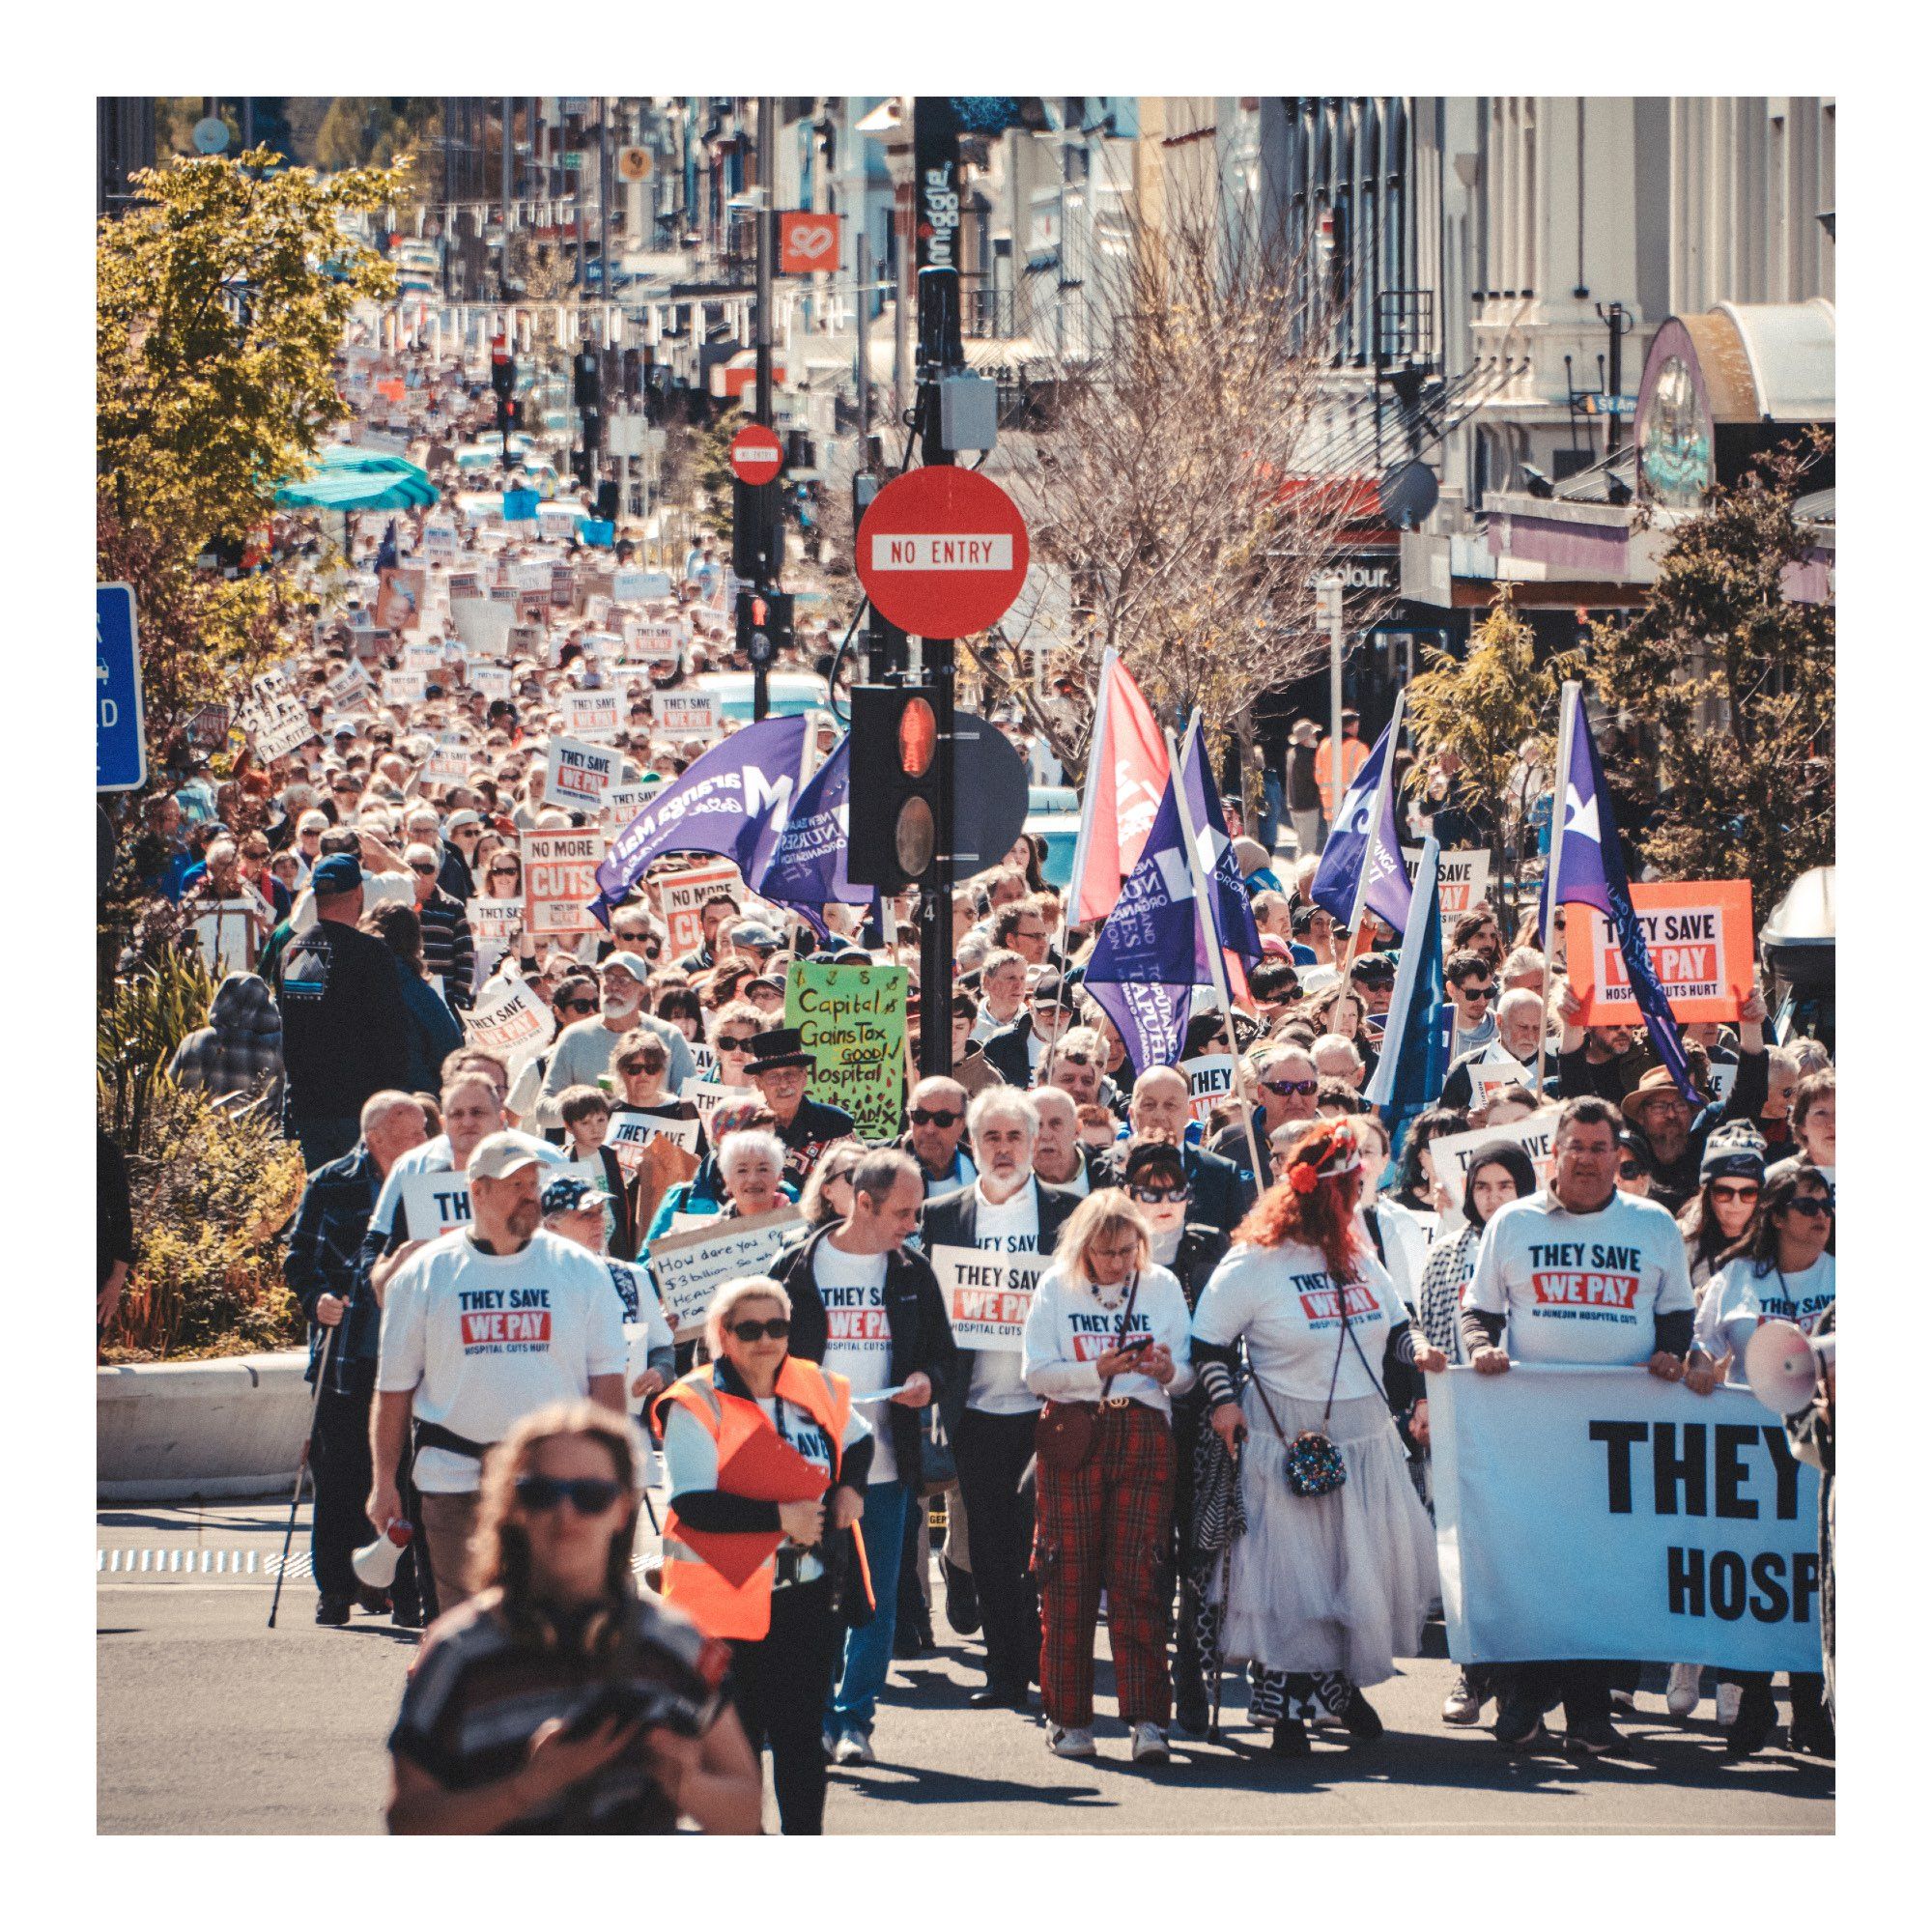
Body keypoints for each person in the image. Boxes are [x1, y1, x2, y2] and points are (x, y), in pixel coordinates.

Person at [385, 1402, 762, 1834]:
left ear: (623, 1509)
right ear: (514, 1506)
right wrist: (527, 1787)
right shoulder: (455, 1652)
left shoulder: (678, 1645)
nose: (565, 1516)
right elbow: (407, 1823)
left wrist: (685, 1783)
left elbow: (746, 1815)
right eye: (541, 1494)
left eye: (591, 1497)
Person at [1190, 1120, 1444, 1756]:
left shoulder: (1356, 1252)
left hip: (1362, 1440)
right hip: (1287, 1440)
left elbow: (1395, 1327)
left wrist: (1421, 1353)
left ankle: (1335, 1687)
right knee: (1291, 1583)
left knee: (1347, 1574)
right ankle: (1287, 1714)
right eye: (1346, 1191)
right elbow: (1209, 1344)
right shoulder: (1255, 1261)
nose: (1354, 1202)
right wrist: (1224, 1405)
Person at [1461, 1096, 1697, 1756]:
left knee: (1602, 1570)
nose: (1589, 1159)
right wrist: (1481, 1348)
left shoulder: (1653, 1225)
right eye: (1576, 1147)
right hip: (1531, 1428)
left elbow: (1677, 1314)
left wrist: (1672, 1354)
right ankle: (1523, 1698)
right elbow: (1480, 1311)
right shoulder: (1512, 1223)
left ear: (1619, 1155)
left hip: (1620, 1431)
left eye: (1601, 1148)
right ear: (1553, 1152)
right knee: (1532, 1564)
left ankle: (1590, 1713)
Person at [368, 1134, 629, 1621]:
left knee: (559, 1621)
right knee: (467, 1627)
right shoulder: (425, 1272)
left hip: (557, 1482)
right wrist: (384, 1481)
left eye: (533, 1182)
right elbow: (394, 1387)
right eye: (514, 1184)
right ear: (477, 1192)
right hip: (453, 1476)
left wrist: (614, 1472)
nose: (529, 1193)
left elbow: (607, 1380)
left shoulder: (580, 1270)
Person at [657, 1276, 873, 1835]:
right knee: (737, 1753)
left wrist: (852, 1488)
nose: (765, 1341)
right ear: (723, 1335)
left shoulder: (815, 1384)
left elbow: (860, 1440)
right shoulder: (694, 1400)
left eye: (777, 1327)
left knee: (802, 1744)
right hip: (725, 1605)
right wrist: (782, 1518)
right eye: (748, 1329)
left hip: (806, 1597)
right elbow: (694, 1503)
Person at [767, 1149, 956, 1765]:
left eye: (917, 1211)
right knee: (807, 1594)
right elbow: (756, 1361)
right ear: (862, 1203)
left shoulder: (912, 1272)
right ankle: (814, 1715)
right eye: (902, 1212)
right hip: (806, 1464)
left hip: (885, 1462)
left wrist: (927, 1378)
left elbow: (941, 1353)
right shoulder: (796, 1265)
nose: (912, 1223)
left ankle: (854, 1721)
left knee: (870, 1604)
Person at [1021, 1186, 1195, 1762]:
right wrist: (1094, 1368)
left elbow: (1187, 1375)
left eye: (1127, 1250)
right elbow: (1036, 1373)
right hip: (1075, 1429)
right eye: (1106, 1252)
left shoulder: (1162, 1285)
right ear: (1083, 1247)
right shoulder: (1055, 1286)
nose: (1119, 1263)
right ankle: (1069, 1719)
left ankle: (1148, 1720)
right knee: (1067, 1576)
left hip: (1144, 1429)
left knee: (1140, 1575)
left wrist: (1168, 1369)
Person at [923, 1092, 1084, 1712]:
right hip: (978, 1409)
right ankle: (1005, 1674)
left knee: (1049, 1547)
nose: (1004, 1149)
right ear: (972, 1142)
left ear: (1033, 1138)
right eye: (991, 1137)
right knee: (990, 1547)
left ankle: (1052, 1667)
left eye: (1015, 1136)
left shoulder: (1068, 1212)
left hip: (1051, 1404)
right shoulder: (943, 1216)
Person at [1682, 1163, 1836, 1758]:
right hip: (1751, 1456)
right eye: (1806, 1206)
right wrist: (1698, 1368)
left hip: (1823, 1451)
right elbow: (1705, 1346)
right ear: (1774, 1215)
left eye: (1826, 1206)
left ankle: (1812, 1706)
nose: (1820, 1216)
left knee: (1813, 1572)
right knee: (1756, 1576)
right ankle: (1750, 1700)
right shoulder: (1736, 1278)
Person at [285, 1091, 430, 1626]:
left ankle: (398, 1589)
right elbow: (300, 1257)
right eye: (412, 1132)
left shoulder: (428, 1185)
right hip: (347, 1350)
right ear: (376, 1136)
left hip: (411, 1351)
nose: (422, 1140)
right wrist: (316, 1298)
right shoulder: (331, 1181)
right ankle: (337, 1588)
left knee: (408, 1478)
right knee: (340, 1472)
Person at [1411, 1138, 1536, 1725]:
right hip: (1466, 1412)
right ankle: (1470, 1671)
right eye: (1482, 1187)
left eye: (1505, 1186)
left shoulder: (1539, 1242)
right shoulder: (1445, 1254)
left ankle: (1521, 1685)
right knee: (1469, 1549)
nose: (1492, 1198)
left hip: (1532, 1418)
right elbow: (1430, 1332)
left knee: (1522, 1551)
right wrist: (1427, 1401)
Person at [1113, 1138, 1230, 1735]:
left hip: (1201, 1418)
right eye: (1149, 1192)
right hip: (1132, 1418)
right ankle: (1150, 1680)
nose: (1163, 1203)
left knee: (1198, 1555)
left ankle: (1191, 1673)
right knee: (1146, 1558)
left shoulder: (1213, 1245)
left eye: (1174, 1191)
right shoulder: (1112, 1252)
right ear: (1128, 1196)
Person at [274, 853, 412, 1168]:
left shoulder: (297, 951)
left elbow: (299, 1031)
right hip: (361, 1110)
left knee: (324, 1203)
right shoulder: (371, 954)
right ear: (359, 895)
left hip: (312, 1108)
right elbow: (393, 1036)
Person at [538, 952, 696, 1128]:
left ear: (642, 991)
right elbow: (543, 1111)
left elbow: (691, 1104)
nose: (614, 987)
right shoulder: (573, 1037)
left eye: (624, 981)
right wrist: (585, 1106)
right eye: (609, 979)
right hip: (593, 1153)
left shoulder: (669, 1035)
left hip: (653, 1148)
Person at [1123, 1065, 1252, 1227]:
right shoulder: (1111, 1171)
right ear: (1132, 1114)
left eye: (1170, 1105)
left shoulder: (1221, 1174)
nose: (1160, 1115)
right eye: (1149, 1105)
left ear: (1187, 1113)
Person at [361, 903, 466, 1094]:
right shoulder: (420, 994)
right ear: (417, 943)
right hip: (414, 1099)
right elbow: (452, 1052)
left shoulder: (352, 984)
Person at [744, 1027, 857, 1188]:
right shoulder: (747, 1129)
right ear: (759, 1083)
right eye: (773, 1077)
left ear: (804, 1078)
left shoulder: (836, 1122)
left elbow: (858, 1178)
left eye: (790, 1074)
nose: (783, 1084)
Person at [163, 971, 285, 1117]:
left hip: (203, 1134)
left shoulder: (194, 1041)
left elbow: (171, 1093)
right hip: (260, 1136)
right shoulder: (278, 1045)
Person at [1677, 1127, 1768, 1290]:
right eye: (1724, 1192)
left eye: (1748, 1193)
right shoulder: (1681, 1239)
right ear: (1708, 1193)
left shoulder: (1775, 1238)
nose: (1736, 1203)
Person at [406, 840, 476, 1010]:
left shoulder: (453, 907)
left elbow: (465, 956)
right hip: (404, 997)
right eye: (413, 867)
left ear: (437, 873)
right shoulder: (393, 906)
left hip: (443, 999)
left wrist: (458, 999)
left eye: (427, 869)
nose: (420, 874)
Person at [902, 1075, 977, 1195]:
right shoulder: (882, 1164)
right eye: (920, 1116)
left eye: (943, 1119)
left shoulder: (983, 1170)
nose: (930, 1129)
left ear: (962, 1125)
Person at [1285, 720, 1325, 858]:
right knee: (1308, 848)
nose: (1315, 737)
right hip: (1307, 807)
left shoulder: (1292, 753)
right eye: (1313, 735)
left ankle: (1299, 876)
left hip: (1294, 805)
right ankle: (1304, 878)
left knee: (1301, 845)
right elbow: (1316, 779)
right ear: (1305, 738)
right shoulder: (1306, 757)